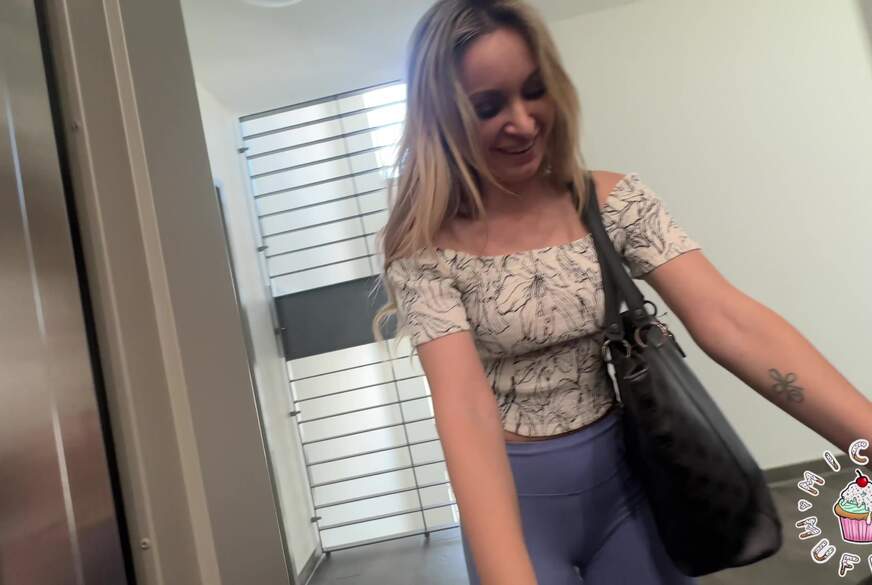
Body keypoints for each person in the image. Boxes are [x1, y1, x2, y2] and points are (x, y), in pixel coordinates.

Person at [372, 1, 872, 583]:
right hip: (515, 504)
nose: (524, 123)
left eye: (534, 90)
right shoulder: (423, 251)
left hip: (631, 486)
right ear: (440, 117)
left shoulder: (613, 202)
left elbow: (729, 319)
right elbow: (464, 406)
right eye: (488, 107)